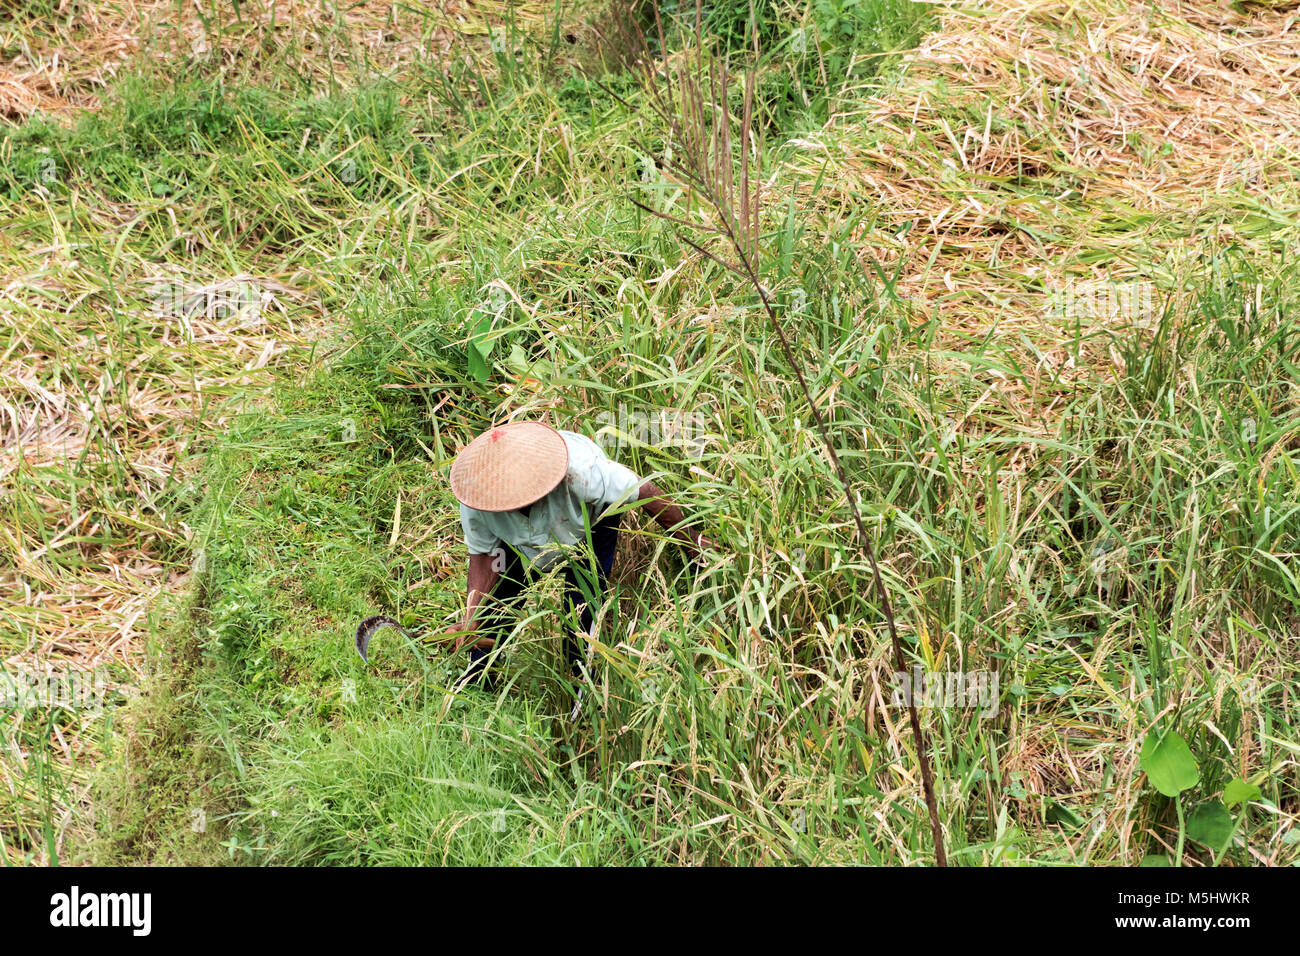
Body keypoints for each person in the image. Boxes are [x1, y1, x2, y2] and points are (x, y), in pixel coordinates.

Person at [442, 420, 714, 689]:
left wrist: (693, 544)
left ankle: (582, 688)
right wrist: (471, 624)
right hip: (517, 543)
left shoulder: (582, 470)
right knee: (495, 606)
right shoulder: (475, 497)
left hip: (590, 527)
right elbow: (482, 557)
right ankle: (478, 680)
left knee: (581, 612)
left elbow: (646, 492)